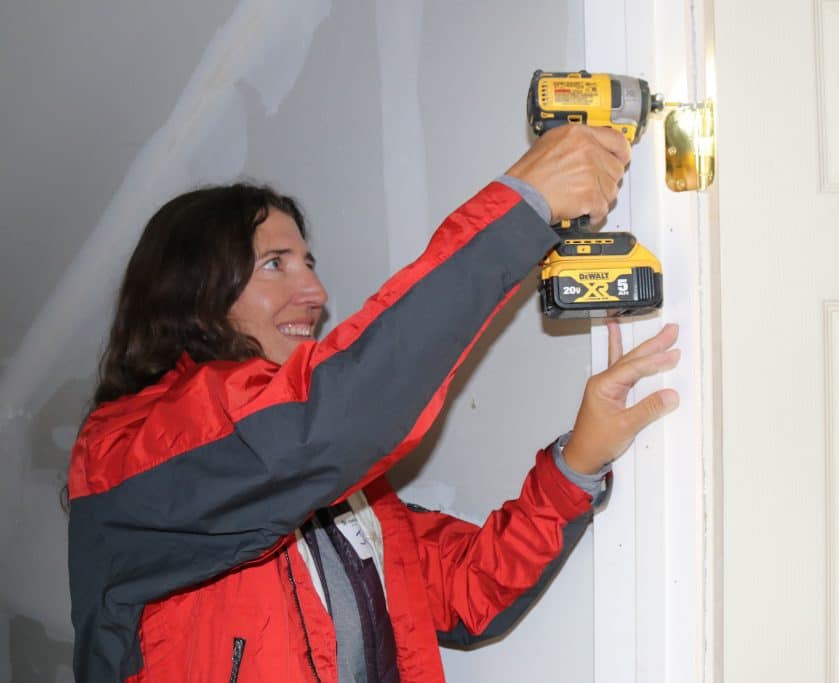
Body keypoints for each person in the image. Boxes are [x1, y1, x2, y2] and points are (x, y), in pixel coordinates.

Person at [67, 123, 680, 682]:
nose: (315, 291)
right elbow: (323, 423)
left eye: (309, 263)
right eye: (275, 264)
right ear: (191, 290)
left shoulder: (351, 500)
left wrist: (577, 463)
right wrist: (522, 206)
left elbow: (470, 590)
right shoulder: (125, 453)